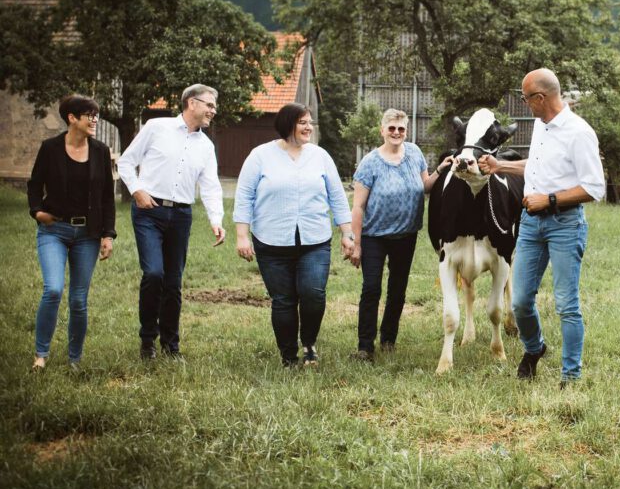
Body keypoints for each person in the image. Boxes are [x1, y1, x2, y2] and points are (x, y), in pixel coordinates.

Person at [479, 68, 606, 386]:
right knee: (520, 301)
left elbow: (594, 187)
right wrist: (501, 165)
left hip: (565, 224)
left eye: (525, 98)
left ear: (540, 97)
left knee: (566, 303)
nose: (524, 105)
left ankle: (570, 375)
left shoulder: (579, 132)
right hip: (531, 224)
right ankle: (534, 349)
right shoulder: (541, 125)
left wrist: (548, 200)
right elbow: (535, 164)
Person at [234, 104, 354, 367]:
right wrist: (242, 235)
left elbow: (337, 196)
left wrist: (348, 233)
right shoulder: (260, 156)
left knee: (313, 294)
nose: (309, 127)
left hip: (315, 240)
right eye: (303, 122)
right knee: (284, 300)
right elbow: (244, 196)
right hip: (271, 240)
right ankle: (288, 356)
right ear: (288, 124)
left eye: (310, 122)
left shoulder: (320, 156)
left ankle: (309, 342)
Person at [117, 84, 226, 360]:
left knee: (173, 282)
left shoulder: (207, 146)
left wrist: (216, 219)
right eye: (209, 105)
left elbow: (211, 186)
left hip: (180, 216)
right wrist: (136, 190)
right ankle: (147, 340)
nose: (214, 111)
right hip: (148, 211)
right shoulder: (156, 127)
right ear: (191, 103)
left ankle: (170, 344)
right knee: (154, 274)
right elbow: (127, 162)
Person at [348, 109, 450, 361]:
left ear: (406, 131)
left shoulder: (414, 154)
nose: (396, 133)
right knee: (371, 288)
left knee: (398, 289)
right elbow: (358, 206)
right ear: (382, 130)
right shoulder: (370, 162)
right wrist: (356, 243)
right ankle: (365, 346)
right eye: (391, 128)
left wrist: (440, 170)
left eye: (401, 129)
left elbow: (425, 186)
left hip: (406, 235)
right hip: (374, 235)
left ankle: (389, 339)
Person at [27, 95, 116, 371]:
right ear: (72, 119)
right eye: (88, 115)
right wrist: (37, 211)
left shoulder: (100, 151)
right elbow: (34, 184)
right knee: (53, 289)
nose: (94, 120)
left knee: (78, 299)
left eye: (95, 115)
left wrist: (108, 234)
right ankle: (41, 355)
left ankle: (74, 359)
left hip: (87, 234)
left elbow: (106, 197)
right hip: (54, 230)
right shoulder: (50, 148)